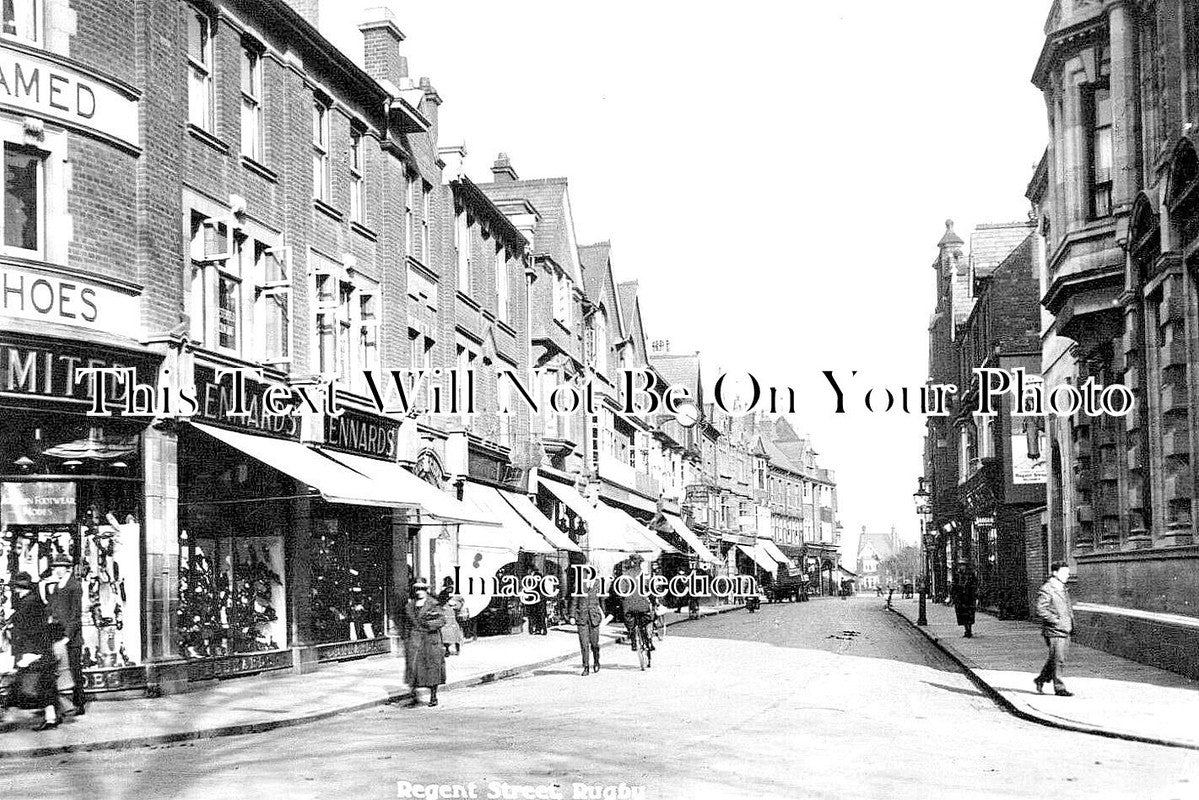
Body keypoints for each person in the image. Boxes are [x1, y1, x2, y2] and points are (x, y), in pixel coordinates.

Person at [10, 572, 60, 730]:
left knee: (35, 682)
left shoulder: (27, 602)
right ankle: (52, 717)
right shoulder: (33, 600)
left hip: (34, 648)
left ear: (19, 588)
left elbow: (24, 626)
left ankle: (52, 717)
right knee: (45, 682)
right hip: (41, 647)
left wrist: (27, 652)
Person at [45, 556, 86, 716]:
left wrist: (68, 637)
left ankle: (79, 704)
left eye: (61, 567)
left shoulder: (74, 586)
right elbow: (52, 609)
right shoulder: (56, 587)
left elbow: (76, 615)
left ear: (68, 568)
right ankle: (62, 704)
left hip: (72, 639)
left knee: (75, 671)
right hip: (58, 635)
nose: (58, 570)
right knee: (59, 671)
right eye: (56, 567)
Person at [400, 578, 446, 707]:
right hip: (414, 639)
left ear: (426, 590)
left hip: (430, 639)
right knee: (413, 667)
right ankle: (414, 696)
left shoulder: (433, 604)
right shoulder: (409, 606)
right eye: (417, 589)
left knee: (431, 667)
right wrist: (406, 637)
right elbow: (406, 623)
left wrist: (429, 624)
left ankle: (433, 696)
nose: (419, 591)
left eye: (422, 589)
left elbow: (442, 620)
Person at [1034, 561, 1075, 697]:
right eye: (1064, 573)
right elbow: (1041, 609)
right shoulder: (1048, 588)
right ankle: (1059, 687)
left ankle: (1040, 679)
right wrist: (1056, 621)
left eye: (1068, 573)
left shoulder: (1063, 587)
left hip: (1066, 628)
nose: (1067, 576)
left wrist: (1070, 622)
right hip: (1055, 630)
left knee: (1055, 658)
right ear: (1055, 573)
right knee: (1059, 659)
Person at [569, 566, 605, 676]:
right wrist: (572, 616)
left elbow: (602, 601)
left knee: (594, 643)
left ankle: (596, 660)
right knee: (584, 644)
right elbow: (574, 600)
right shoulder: (579, 585)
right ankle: (586, 667)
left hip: (594, 617)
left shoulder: (599, 584)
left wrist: (604, 614)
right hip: (582, 617)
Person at [618, 558, 654, 669]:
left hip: (629, 606)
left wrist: (623, 599)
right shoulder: (644, 575)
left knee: (629, 621)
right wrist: (653, 601)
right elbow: (651, 589)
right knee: (647, 620)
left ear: (631, 563)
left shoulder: (625, 575)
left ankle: (633, 639)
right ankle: (648, 641)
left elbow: (621, 591)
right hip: (643, 606)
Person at [437, 577, 465, 657]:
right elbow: (440, 602)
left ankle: (453, 649)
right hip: (448, 614)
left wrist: (456, 605)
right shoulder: (444, 593)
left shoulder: (454, 593)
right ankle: (449, 649)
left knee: (453, 632)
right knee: (449, 632)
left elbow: (460, 602)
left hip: (452, 615)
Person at [951, 565, 978, 638]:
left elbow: (974, 586)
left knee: (969, 615)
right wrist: (954, 597)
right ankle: (967, 629)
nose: (962, 569)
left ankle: (969, 630)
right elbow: (954, 587)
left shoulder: (971, 577)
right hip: (961, 599)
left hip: (969, 599)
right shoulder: (957, 577)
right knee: (963, 615)